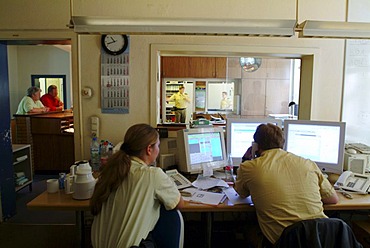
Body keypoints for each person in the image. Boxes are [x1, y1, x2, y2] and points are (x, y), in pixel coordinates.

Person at [235, 123, 339, 246]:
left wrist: (245, 160)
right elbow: (333, 199)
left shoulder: (249, 167)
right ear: (282, 143)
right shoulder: (307, 163)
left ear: (256, 146)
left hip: (284, 242)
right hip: (321, 240)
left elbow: (241, 193)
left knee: (246, 229)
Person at [90, 123, 184, 248]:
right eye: (158, 146)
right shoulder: (153, 175)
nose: (158, 150)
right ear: (149, 149)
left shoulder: (110, 171)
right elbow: (179, 203)